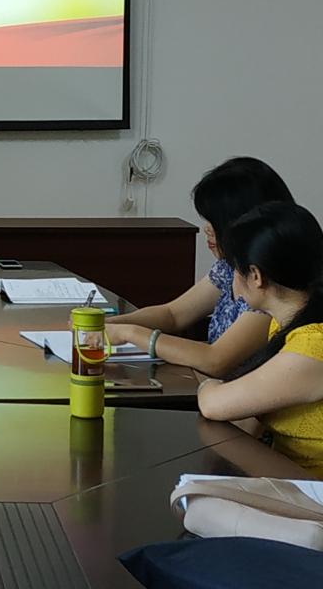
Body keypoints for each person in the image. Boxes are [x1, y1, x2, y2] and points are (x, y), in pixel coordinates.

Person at [106, 157, 294, 377]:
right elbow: (173, 314)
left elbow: (216, 360)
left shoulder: (272, 286)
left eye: (215, 221)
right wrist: (106, 324)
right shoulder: (230, 267)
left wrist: (129, 333)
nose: (207, 229)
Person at [198, 202, 323, 478]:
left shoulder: (313, 346)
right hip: (286, 476)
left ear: (255, 276)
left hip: (311, 493)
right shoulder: (284, 323)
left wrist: (208, 384)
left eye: (235, 270)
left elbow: (212, 403)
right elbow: (254, 415)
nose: (232, 281)